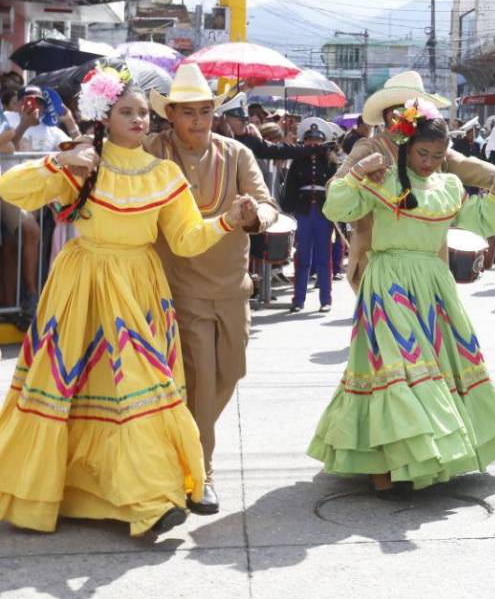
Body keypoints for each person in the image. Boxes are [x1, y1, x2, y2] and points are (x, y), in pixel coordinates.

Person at [0, 63, 256, 537]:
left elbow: (185, 239)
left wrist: (227, 221)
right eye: (127, 111)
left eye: (143, 113)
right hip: (82, 285)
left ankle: (152, 499)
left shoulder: (165, 174)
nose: (139, 119)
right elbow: (9, 188)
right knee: (75, 387)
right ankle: (70, 490)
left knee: (143, 388)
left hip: (139, 286)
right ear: (105, 115)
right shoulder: (83, 164)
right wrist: (59, 162)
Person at [310, 104, 495, 493]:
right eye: (423, 154)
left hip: (433, 284)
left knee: (428, 367)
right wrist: (358, 174)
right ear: (406, 147)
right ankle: (386, 461)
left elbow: (479, 223)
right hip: (387, 280)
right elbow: (335, 206)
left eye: (438, 156)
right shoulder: (382, 178)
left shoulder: (449, 186)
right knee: (397, 369)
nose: (429, 162)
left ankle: (419, 454)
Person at [145, 63, 279, 515]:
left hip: (233, 284)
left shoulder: (237, 153)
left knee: (232, 370)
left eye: (205, 111)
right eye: (189, 113)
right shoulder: (153, 151)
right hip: (180, 285)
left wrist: (255, 217)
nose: (199, 121)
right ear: (171, 115)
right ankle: (199, 471)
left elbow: (267, 204)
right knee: (200, 377)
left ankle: (183, 445)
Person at [334, 71, 495, 291]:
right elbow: (336, 186)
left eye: (413, 109)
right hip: (378, 261)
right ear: (388, 115)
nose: (408, 116)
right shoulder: (370, 148)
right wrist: (360, 175)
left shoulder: (430, 148)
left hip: (428, 263)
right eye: (402, 110)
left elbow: (463, 165)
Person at [282, 123, 338, 313]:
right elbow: (290, 187)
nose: (313, 143)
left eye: (317, 140)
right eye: (309, 140)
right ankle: (298, 300)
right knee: (302, 256)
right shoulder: (298, 162)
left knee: (324, 257)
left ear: (323, 142)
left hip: (323, 211)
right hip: (304, 211)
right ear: (304, 142)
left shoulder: (330, 162)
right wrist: (288, 209)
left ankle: (326, 299)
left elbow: (337, 187)